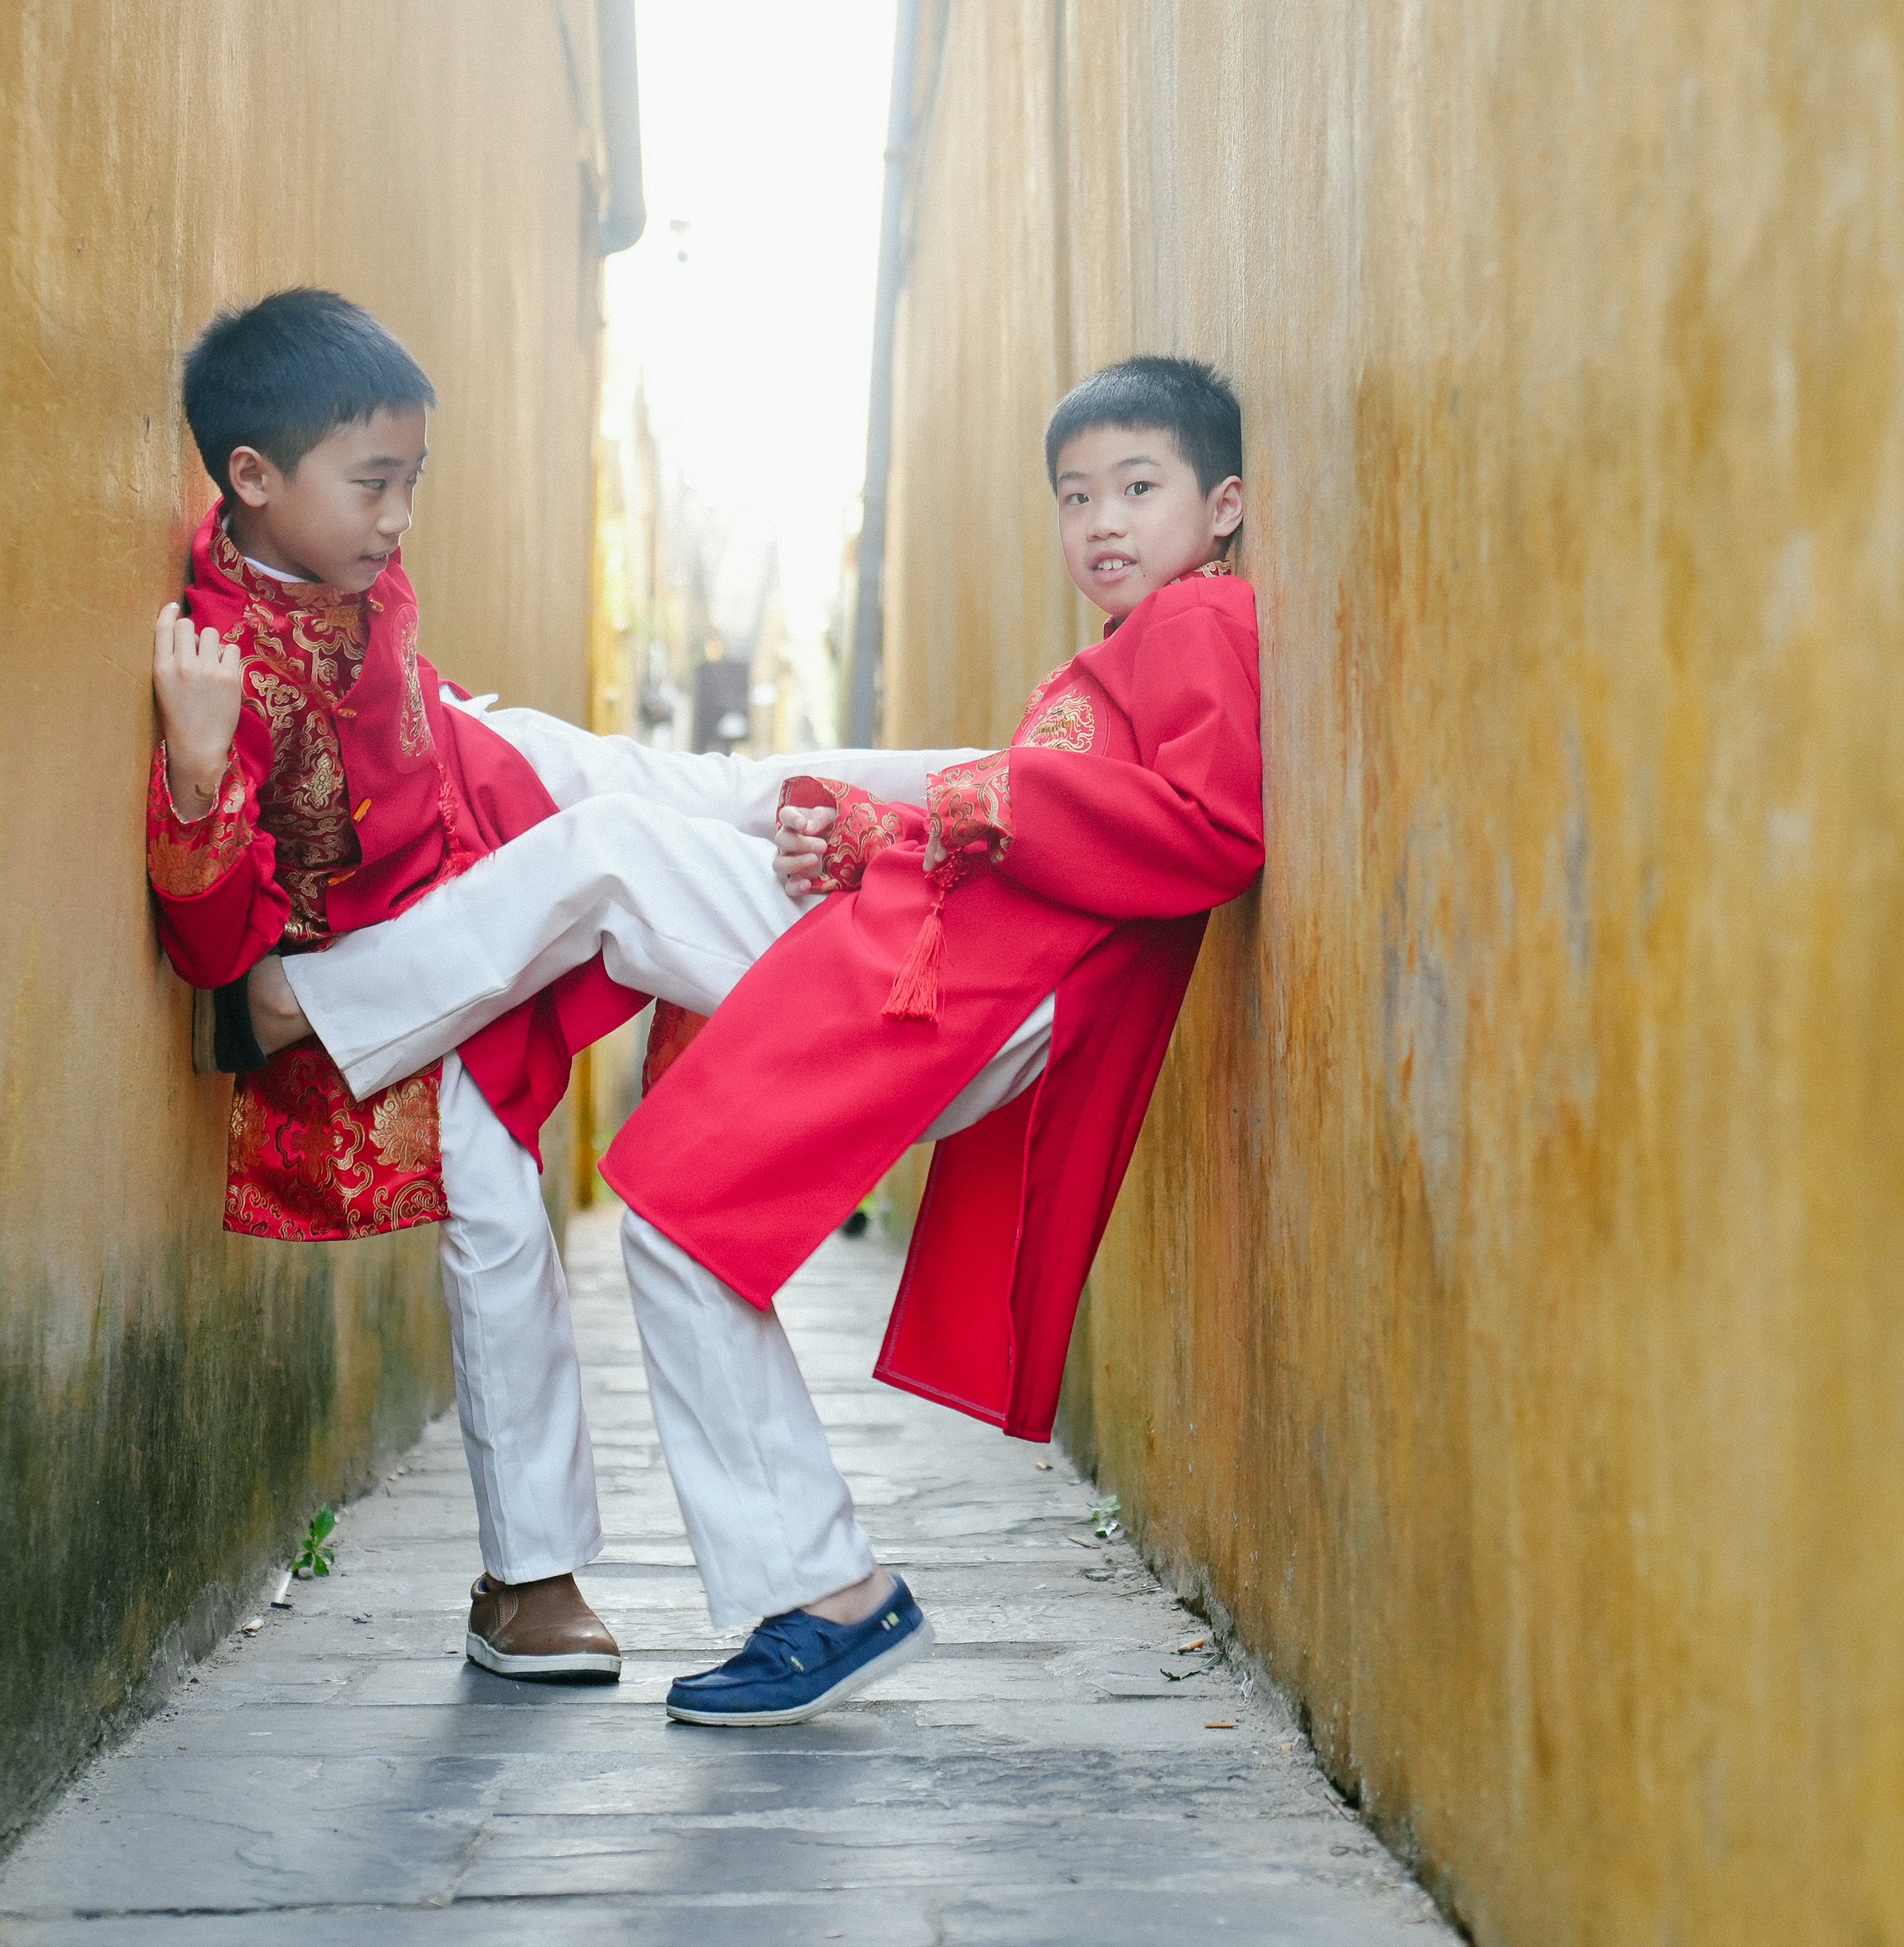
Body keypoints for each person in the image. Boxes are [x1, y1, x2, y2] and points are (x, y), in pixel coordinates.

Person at [256, 355, 1263, 1727]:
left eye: (1139, 489)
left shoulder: (1198, 623)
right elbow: (1047, 830)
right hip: (941, 955)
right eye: (1076, 495)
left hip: (969, 985)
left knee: (613, 874)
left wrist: (956, 812)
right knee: (668, 1184)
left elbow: (1211, 834)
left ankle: (307, 1009)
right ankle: (825, 1596)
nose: (1102, 521)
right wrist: (878, 839)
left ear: (1224, 506)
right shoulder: (1121, 648)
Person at [143, 288, 975, 1690]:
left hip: (497, 784)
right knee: (497, 1219)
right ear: (251, 480)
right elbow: (218, 951)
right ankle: (529, 1583)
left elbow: (394, 698)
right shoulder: (219, 657)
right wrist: (192, 757)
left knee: (730, 795)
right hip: (426, 936)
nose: (401, 517)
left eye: (415, 480)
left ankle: (1014, 790)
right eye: (376, 484)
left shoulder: (336, 550)